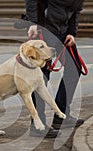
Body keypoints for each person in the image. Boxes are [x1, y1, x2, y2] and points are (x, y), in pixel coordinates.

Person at [25, 0, 85, 138]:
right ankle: (37, 125)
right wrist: (33, 23)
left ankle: (60, 115)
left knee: (74, 69)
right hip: (44, 30)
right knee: (41, 76)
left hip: (62, 32)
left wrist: (72, 32)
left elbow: (76, 10)